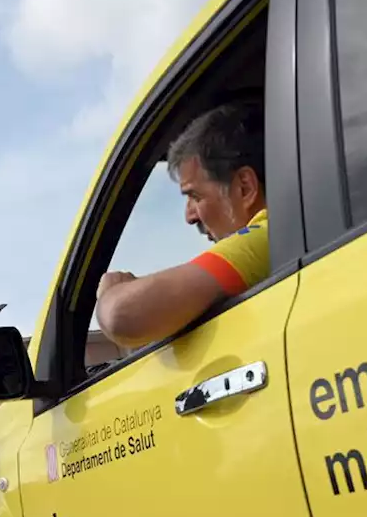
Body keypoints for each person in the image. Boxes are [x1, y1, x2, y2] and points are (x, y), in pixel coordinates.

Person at [96, 101, 269, 348]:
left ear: (245, 187)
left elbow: (122, 317)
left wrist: (110, 293)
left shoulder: (265, 237)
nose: (190, 216)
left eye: (195, 196)